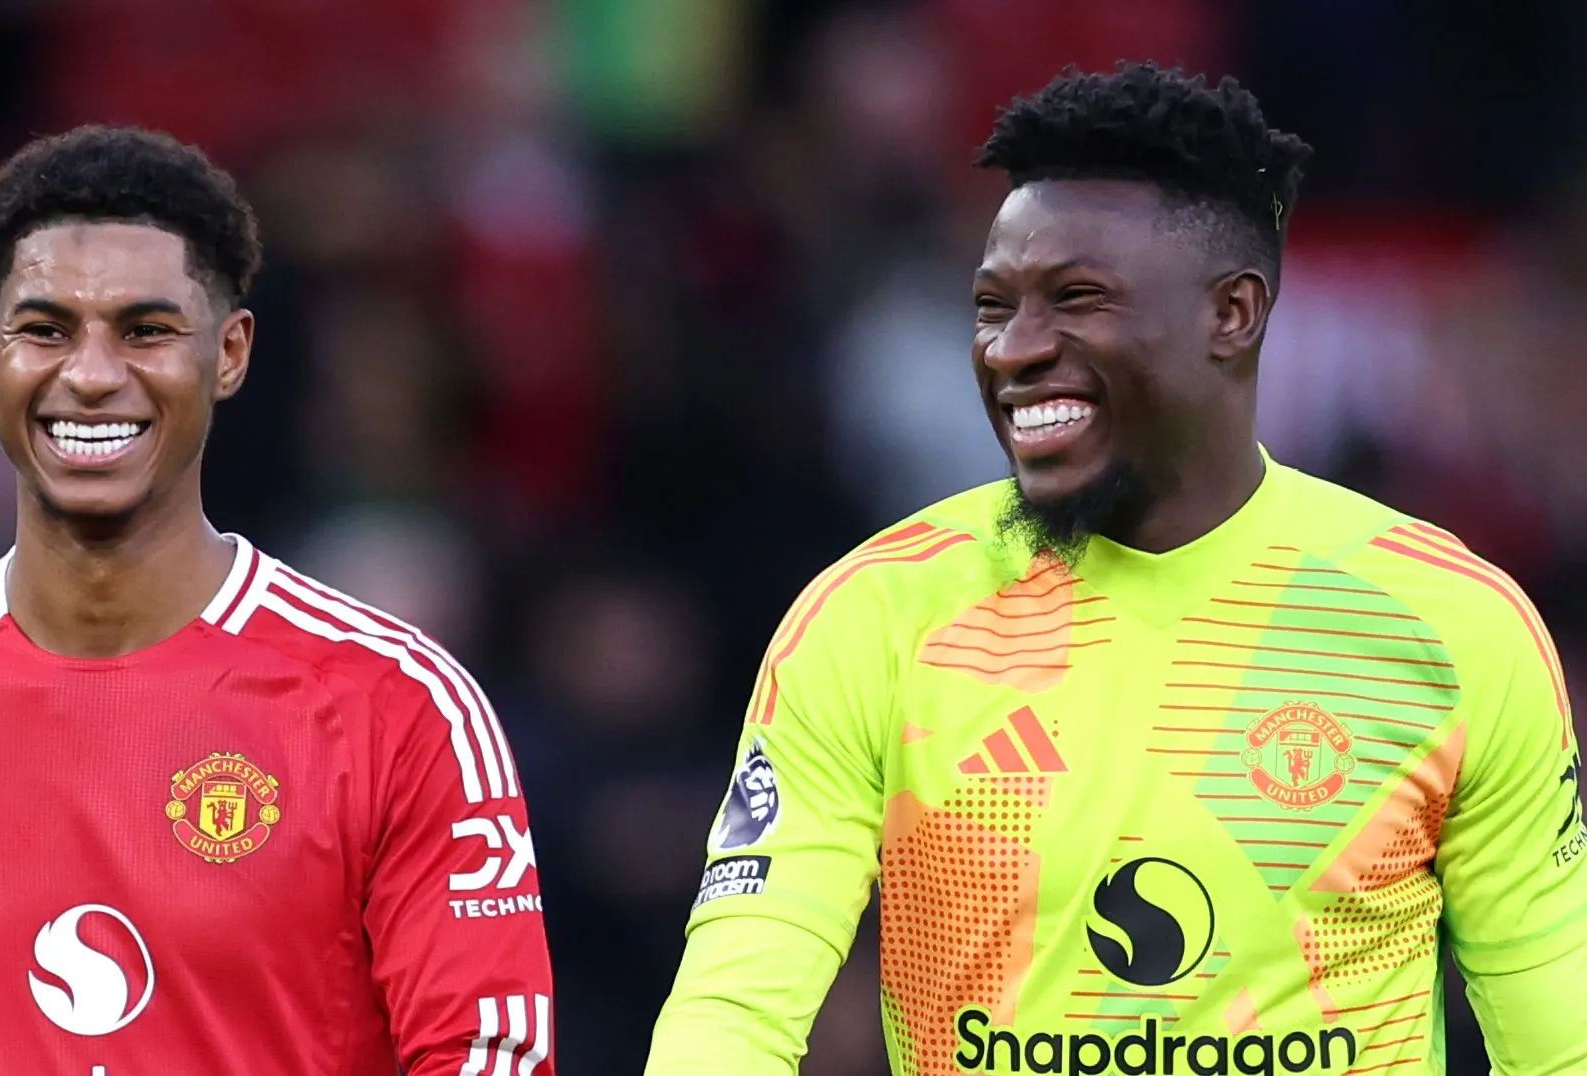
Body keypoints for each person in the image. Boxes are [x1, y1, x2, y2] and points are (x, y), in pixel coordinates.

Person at [644, 62, 1587, 1075]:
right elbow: (733, 1010)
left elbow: (1559, 1036)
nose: (1013, 349)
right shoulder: (877, 615)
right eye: (992, 306)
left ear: (1232, 314)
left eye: (1075, 298)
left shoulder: (1447, 624)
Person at [0, 126, 555, 1075]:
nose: (90, 376)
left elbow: (482, 1055)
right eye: (45, 328)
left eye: (146, 330)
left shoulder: (393, 703)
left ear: (230, 354)